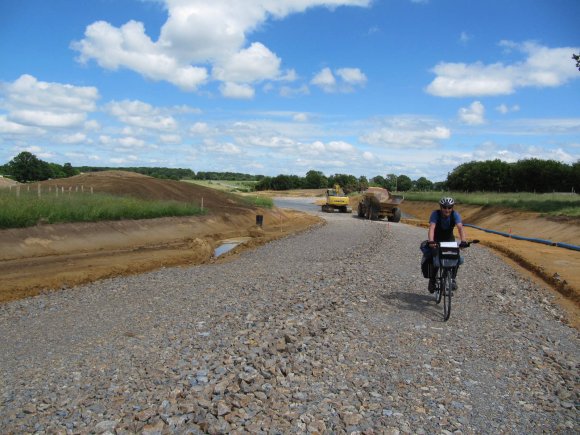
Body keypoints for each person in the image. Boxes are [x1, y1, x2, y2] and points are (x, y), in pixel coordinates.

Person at [421, 197, 468, 293]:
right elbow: (432, 228)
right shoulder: (435, 214)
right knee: (434, 258)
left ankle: (452, 279)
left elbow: (460, 227)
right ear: (441, 207)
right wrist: (431, 241)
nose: (447, 209)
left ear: (452, 207)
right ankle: (432, 280)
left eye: (449, 207)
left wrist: (463, 241)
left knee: (456, 257)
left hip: (449, 240)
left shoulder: (455, 214)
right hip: (436, 240)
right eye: (444, 207)